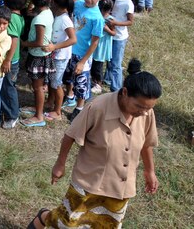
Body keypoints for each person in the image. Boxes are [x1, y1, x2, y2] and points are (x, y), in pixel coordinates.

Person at [29, 60, 160, 229]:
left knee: (106, 225)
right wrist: (59, 164)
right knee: (67, 223)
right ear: (125, 92)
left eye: (148, 108)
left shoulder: (146, 114)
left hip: (120, 187)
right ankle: (44, 216)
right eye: (139, 107)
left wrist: (150, 171)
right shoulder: (98, 107)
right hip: (88, 181)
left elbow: (146, 144)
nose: (143, 112)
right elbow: (70, 135)